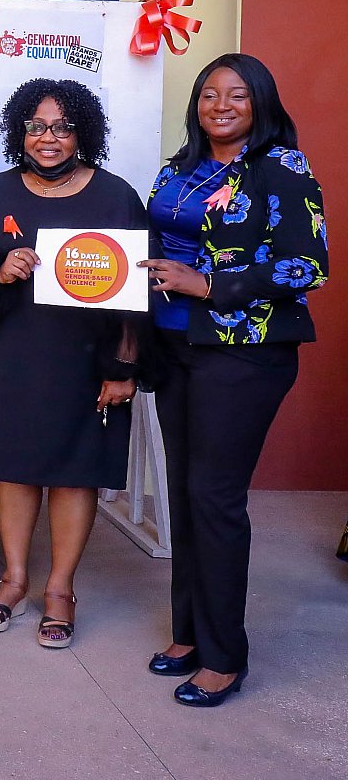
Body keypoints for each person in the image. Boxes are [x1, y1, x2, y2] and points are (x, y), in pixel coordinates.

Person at [139, 53, 327, 706]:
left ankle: (225, 656)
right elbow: (152, 237)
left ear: (260, 103)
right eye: (209, 93)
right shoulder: (179, 166)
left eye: (237, 95)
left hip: (242, 352)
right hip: (175, 346)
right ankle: (189, 633)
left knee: (215, 497)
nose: (219, 104)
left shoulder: (281, 169)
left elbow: (309, 265)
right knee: (187, 494)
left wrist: (211, 283)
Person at [0, 79, 144, 649]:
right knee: (12, 466)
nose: (48, 138)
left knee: (73, 470)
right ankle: (13, 580)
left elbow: (134, 290)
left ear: (82, 131)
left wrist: (124, 366)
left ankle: (60, 589)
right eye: (36, 126)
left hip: (85, 360)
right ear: (19, 131)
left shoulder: (115, 196)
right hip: (12, 354)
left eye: (61, 126)